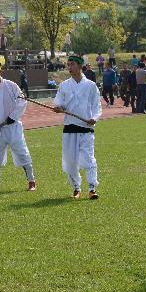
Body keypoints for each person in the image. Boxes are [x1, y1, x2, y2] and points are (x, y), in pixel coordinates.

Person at [0, 59, 36, 192]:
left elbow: (22, 102)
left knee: (22, 152)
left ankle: (31, 180)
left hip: (13, 127)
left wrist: (13, 117)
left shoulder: (12, 86)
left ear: (0, 70)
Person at [52, 54, 102, 200]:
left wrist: (94, 118)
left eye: (72, 64)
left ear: (80, 66)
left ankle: (92, 188)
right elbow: (59, 103)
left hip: (86, 129)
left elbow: (96, 106)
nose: (70, 67)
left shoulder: (91, 86)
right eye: (68, 64)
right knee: (70, 160)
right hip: (69, 128)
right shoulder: (64, 85)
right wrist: (58, 107)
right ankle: (76, 188)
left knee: (88, 158)